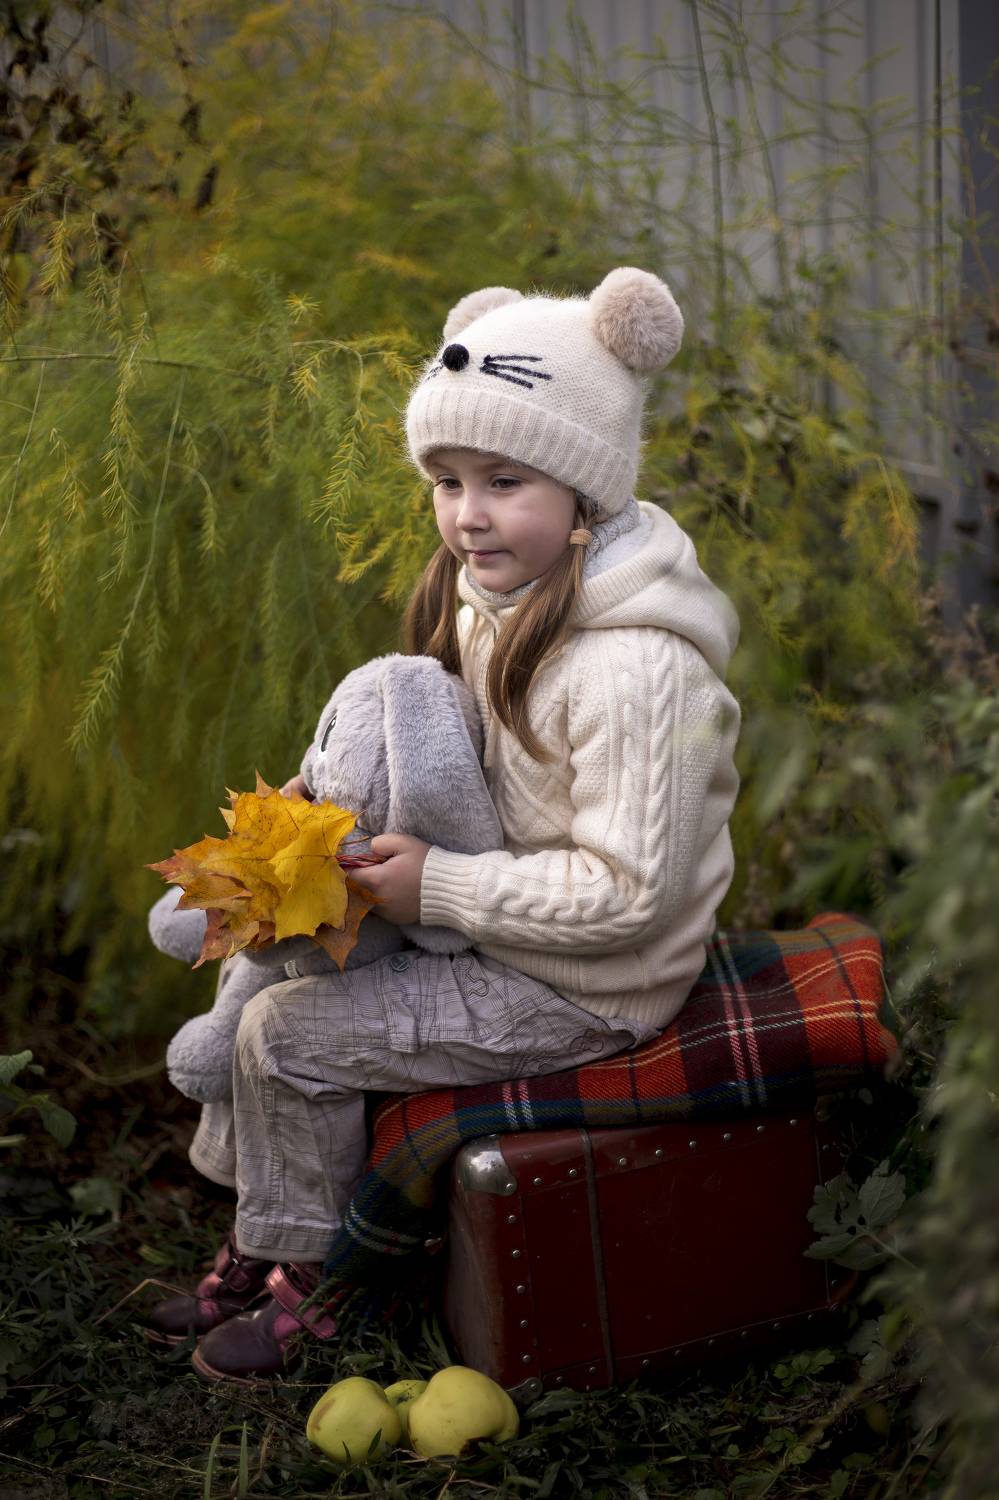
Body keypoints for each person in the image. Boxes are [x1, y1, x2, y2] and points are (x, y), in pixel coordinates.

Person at [146, 267, 742, 1382]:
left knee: (289, 1038)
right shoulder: (497, 597)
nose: (468, 514)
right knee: (280, 965)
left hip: (587, 982)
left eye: (505, 481)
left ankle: (324, 1284)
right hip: (497, 921)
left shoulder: (634, 671)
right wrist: (330, 829)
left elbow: (629, 896)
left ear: (583, 492)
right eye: (449, 481)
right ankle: (266, 1236)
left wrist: (439, 889)